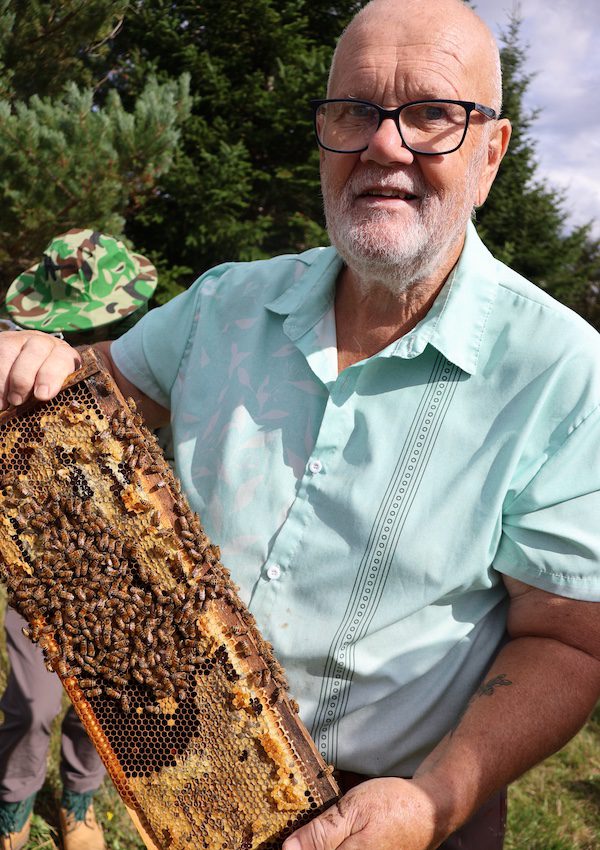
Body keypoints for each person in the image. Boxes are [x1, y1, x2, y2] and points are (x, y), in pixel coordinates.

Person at [0, 1, 599, 847]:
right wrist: (34, 360)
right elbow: (81, 407)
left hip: (413, 808)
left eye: (432, 114)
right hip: (194, 781)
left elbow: (568, 641)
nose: (383, 145)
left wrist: (436, 801)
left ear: (492, 151)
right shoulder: (222, 302)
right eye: (352, 111)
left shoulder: (563, 368)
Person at [0, 229, 158, 850]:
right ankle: (13, 803)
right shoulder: (21, 364)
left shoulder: (157, 361)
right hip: (37, 559)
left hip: (129, 563)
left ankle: (80, 799)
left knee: (109, 696)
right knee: (35, 703)